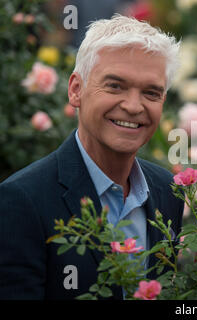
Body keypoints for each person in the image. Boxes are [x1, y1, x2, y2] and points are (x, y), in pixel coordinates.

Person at [0, 15, 183, 300]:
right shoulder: (22, 201)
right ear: (76, 90)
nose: (134, 106)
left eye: (151, 92)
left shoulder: (168, 191)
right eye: (115, 86)